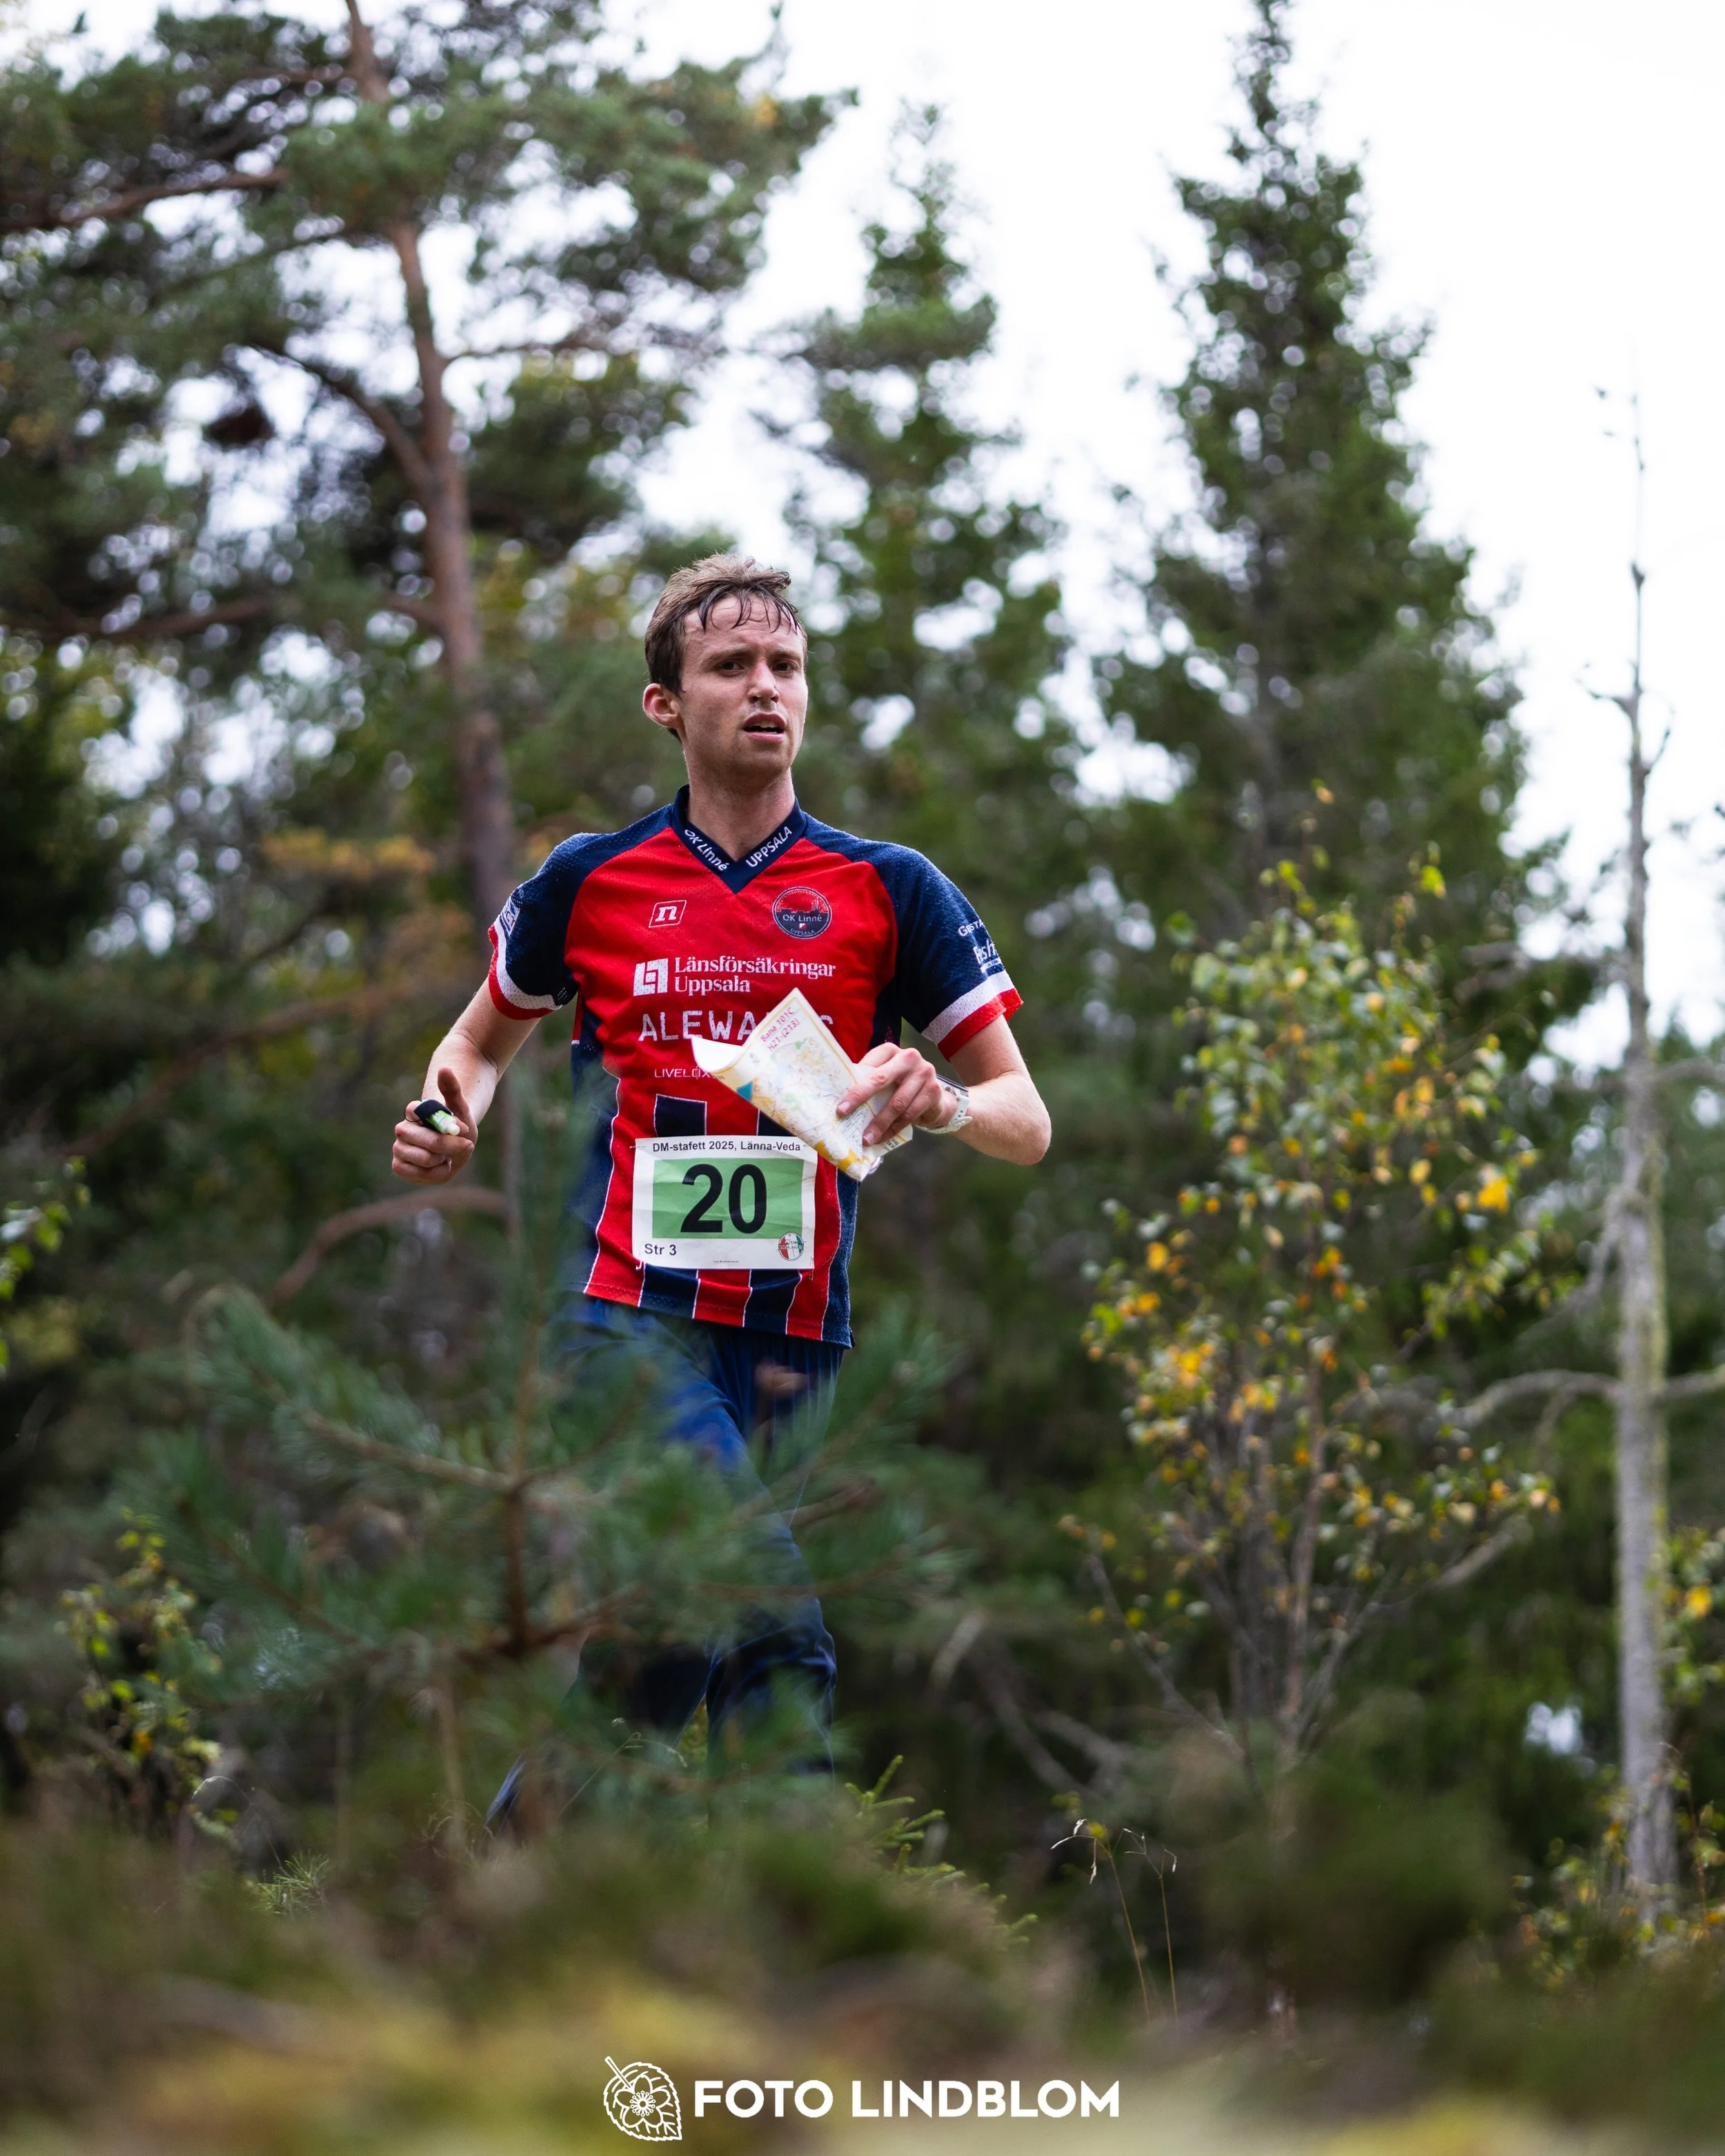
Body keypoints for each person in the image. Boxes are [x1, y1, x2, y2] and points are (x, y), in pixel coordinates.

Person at [391, 554, 1049, 1791]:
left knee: (666, 1648)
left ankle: (507, 1876)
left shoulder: (887, 889)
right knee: (773, 1623)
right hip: (624, 1313)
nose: (765, 688)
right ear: (665, 703)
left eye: (786, 667)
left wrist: (943, 1098)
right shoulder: (594, 877)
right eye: (730, 665)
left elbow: (1027, 1119)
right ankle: (795, 1926)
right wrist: (447, 1114)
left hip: (796, 1336)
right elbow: (477, 1042)